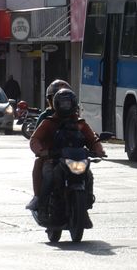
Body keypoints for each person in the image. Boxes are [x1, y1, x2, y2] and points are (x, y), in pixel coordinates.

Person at [29, 88, 105, 225]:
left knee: (88, 176)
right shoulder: (49, 122)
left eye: (68, 103)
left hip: (76, 159)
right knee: (49, 177)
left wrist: (98, 150)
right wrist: (42, 151)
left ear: (74, 104)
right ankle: (43, 208)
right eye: (63, 103)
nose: (66, 106)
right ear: (56, 104)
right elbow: (35, 139)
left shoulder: (80, 123)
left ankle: (85, 208)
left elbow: (92, 139)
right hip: (54, 160)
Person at [24, 79, 71, 211]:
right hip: (50, 157)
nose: (63, 103)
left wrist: (96, 147)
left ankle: (85, 201)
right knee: (42, 167)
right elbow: (36, 138)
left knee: (87, 173)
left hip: (71, 156)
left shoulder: (75, 117)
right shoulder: (46, 118)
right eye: (57, 99)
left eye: (66, 100)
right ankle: (38, 198)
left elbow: (87, 133)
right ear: (51, 100)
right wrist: (41, 151)